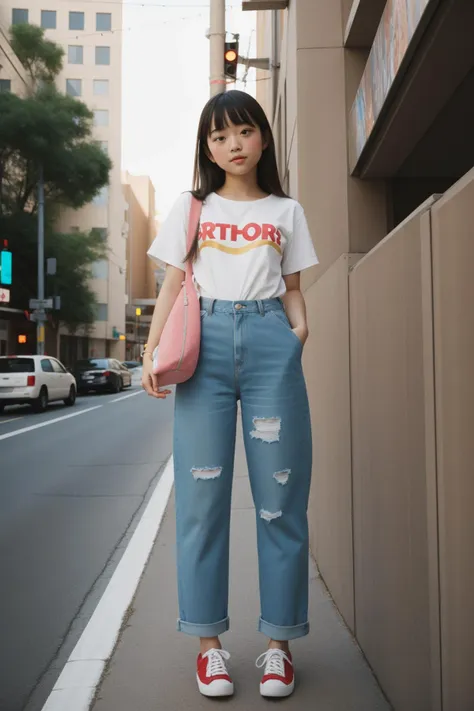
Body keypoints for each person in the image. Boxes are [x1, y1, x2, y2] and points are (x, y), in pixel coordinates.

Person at [142, 89, 318, 699]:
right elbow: (170, 285)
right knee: (202, 502)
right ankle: (209, 647)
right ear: (207, 148)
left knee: (280, 501)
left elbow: (293, 285)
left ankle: (278, 647)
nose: (232, 146)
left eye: (242, 132)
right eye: (218, 137)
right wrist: (150, 352)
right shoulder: (191, 208)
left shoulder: (286, 211)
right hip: (205, 348)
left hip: (272, 342)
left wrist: (298, 330)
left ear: (262, 138)